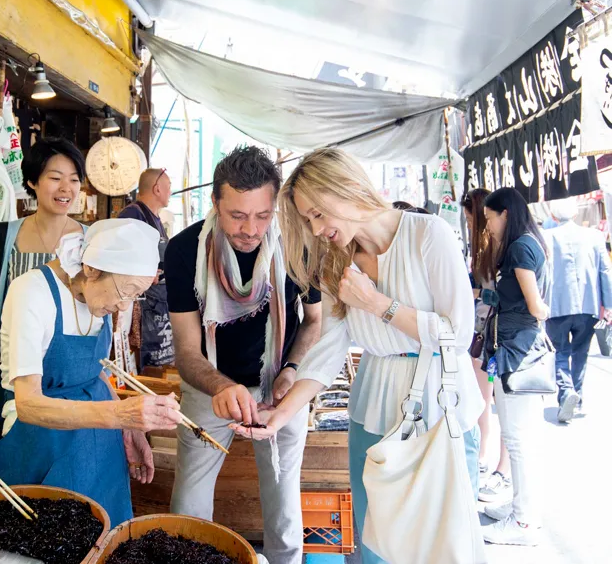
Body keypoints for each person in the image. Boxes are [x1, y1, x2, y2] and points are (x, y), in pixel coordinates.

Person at [232, 148, 483, 564]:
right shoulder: (336, 261)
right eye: (308, 220)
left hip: (440, 411)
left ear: (347, 187)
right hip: (372, 409)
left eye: (318, 214)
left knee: (445, 547)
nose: (316, 229)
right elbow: (329, 348)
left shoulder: (428, 234)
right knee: (375, 546)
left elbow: (457, 335)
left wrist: (378, 304)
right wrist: (281, 414)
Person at [164, 146, 322, 564]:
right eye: (237, 215)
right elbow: (187, 351)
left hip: (279, 390)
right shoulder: (184, 250)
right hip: (208, 387)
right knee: (188, 506)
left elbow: (314, 322)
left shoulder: (298, 244)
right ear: (215, 201)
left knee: (284, 506)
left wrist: (291, 370)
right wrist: (222, 387)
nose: (251, 230)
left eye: (263, 215)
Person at [0, 218, 182, 527]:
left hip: (101, 440)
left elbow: (95, 370)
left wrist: (130, 428)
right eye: (125, 292)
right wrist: (122, 414)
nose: (123, 307)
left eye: (135, 296)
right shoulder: (32, 292)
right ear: (91, 268)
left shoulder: (100, 298)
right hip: (42, 439)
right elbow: (28, 404)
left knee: (108, 530)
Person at [0, 137, 87, 455]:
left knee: (51, 464)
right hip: (3, 371)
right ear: (32, 181)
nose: (66, 188)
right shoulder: (5, 234)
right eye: (55, 178)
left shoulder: (89, 241)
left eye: (74, 180)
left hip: (64, 374)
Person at [480, 187, 550, 546]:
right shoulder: (527, 243)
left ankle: (523, 522)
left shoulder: (520, 247)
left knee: (518, 439)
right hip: (515, 347)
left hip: (518, 350)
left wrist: (539, 314)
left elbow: (536, 306)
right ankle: (521, 508)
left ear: (505, 213)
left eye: (489, 218)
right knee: (519, 437)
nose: (488, 226)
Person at [462, 188, 512, 503]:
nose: (469, 225)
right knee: (482, 397)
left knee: (501, 401)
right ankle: (482, 455)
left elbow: (504, 295)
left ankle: (502, 470)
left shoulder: (503, 247)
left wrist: (477, 293)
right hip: (482, 334)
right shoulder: (483, 246)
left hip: (498, 336)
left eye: (471, 220)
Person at [543, 197, 612, 422]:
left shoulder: (545, 237)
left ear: (553, 216)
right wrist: (609, 305)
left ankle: (566, 392)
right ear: (575, 214)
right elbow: (605, 272)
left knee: (560, 351)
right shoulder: (594, 236)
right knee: (581, 352)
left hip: (556, 306)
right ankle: (577, 396)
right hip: (588, 305)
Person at [118, 168, 174, 369]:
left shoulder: (156, 219)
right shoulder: (132, 214)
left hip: (158, 304)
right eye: (168, 187)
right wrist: (145, 274)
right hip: (140, 306)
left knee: (160, 364)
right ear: (157, 189)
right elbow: (119, 258)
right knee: (143, 363)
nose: (170, 192)